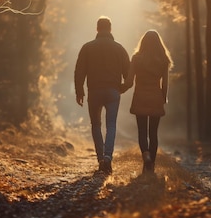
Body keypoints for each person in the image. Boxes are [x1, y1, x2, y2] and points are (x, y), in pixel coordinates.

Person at [74, 16, 130, 175]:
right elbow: (129, 74)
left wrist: (79, 91)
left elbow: (79, 71)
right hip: (113, 91)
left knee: (96, 125)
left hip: (94, 91)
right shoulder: (119, 48)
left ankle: (100, 159)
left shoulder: (87, 47)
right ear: (110, 29)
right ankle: (108, 157)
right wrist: (122, 88)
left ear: (97, 29)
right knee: (111, 125)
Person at [123, 30, 173, 174]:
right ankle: (151, 165)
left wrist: (120, 88)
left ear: (143, 42)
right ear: (159, 44)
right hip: (155, 98)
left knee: (142, 130)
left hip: (140, 97)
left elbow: (129, 81)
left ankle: (146, 154)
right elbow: (165, 84)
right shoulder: (163, 60)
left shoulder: (137, 58)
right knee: (153, 132)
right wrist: (163, 98)